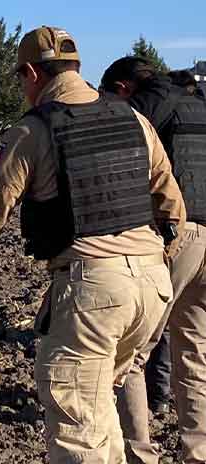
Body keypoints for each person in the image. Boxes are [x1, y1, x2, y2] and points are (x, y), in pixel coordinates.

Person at [0, 26, 185, 463]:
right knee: (99, 407)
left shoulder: (33, 131)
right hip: (152, 287)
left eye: (20, 79)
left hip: (93, 291)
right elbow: (171, 204)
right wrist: (156, 262)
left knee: (76, 430)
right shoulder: (134, 118)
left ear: (31, 73)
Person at [102, 58, 206, 463]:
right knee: (194, 351)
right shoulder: (199, 104)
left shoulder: (143, 110)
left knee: (132, 352)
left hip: (177, 236)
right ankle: (197, 452)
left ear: (124, 87)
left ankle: (138, 453)